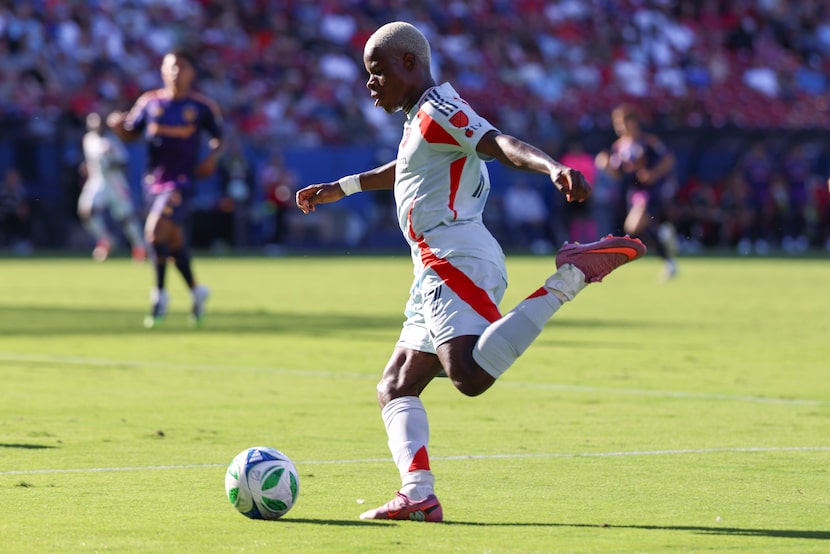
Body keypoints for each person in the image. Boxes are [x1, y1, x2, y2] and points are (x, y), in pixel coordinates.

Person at [295, 21, 646, 523]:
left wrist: (552, 168)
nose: (370, 83)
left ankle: (571, 276)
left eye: (377, 72)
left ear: (410, 64)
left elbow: (498, 143)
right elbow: (404, 166)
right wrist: (342, 187)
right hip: (433, 266)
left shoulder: (440, 110)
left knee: (469, 376)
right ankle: (417, 494)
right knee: (395, 386)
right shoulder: (421, 119)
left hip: (453, 259)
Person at [110, 48, 224, 328]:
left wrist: (211, 157)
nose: (175, 71)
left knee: (153, 232)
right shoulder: (149, 102)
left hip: (182, 181)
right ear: (162, 70)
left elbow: (219, 138)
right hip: (152, 182)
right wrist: (117, 126)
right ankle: (197, 291)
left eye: (181, 66)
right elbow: (130, 132)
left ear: (191, 72)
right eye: (170, 66)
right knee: (172, 242)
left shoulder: (201, 107)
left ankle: (159, 295)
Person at [595, 104, 678, 280]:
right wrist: (606, 166)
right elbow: (618, 174)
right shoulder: (618, 146)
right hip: (633, 193)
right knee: (639, 227)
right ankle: (666, 248)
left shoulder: (648, 141)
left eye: (622, 122)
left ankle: (666, 249)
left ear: (633, 122)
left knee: (632, 227)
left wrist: (653, 174)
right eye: (617, 123)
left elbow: (668, 160)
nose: (619, 127)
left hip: (649, 191)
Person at [78, 111, 147, 262]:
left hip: (115, 181)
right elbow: (91, 161)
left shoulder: (112, 141)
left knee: (126, 218)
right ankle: (106, 240)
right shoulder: (88, 140)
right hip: (97, 180)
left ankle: (139, 246)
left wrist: (110, 162)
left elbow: (123, 163)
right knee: (86, 211)